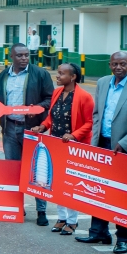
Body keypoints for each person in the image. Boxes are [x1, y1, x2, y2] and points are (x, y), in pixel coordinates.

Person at [76, 51, 127, 253]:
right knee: (98, 188)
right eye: (115, 64)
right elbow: (97, 114)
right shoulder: (102, 83)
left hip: (124, 149)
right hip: (101, 143)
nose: (118, 67)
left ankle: (123, 238)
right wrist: (94, 143)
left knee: (121, 194)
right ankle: (99, 232)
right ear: (109, 65)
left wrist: (125, 143)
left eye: (123, 64)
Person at [0, 42, 54, 225]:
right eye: (19, 55)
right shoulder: (4, 75)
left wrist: (36, 109)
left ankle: (41, 211)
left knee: (37, 170)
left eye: (27, 55)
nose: (24, 58)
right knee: (13, 169)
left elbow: (50, 98)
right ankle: (16, 207)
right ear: (11, 56)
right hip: (10, 128)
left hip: (32, 129)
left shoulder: (40, 74)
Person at [31, 63, 94, 236]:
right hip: (56, 145)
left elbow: (89, 123)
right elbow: (52, 116)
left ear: (73, 77)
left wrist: (74, 135)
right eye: (58, 73)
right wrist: (43, 127)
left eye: (61, 74)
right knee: (57, 182)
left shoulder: (84, 97)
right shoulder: (57, 93)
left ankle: (72, 221)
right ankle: (61, 218)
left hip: (74, 147)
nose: (57, 76)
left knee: (71, 183)